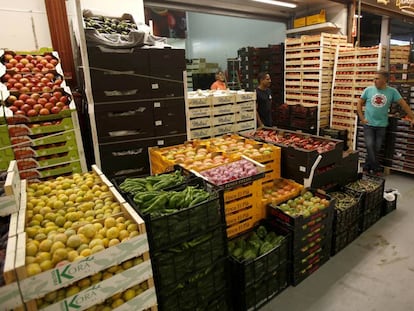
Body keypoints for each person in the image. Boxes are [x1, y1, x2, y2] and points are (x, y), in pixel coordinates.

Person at [356, 70, 414, 175]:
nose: (375, 81)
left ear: (385, 80)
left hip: (381, 125)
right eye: (374, 78)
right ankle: (376, 168)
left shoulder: (392, 92)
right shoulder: (368, 90)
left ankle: (366, 167)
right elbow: (359, 104)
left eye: (377, 78)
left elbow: (403, 104)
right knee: (369, 145)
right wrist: (362, 118)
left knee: (376, 148)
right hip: (368, 124)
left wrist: (413, 117)